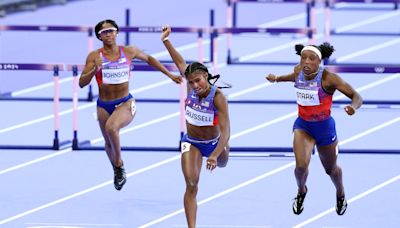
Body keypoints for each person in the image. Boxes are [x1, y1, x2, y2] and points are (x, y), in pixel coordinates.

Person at [79, 19, 182, 191]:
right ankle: (116, 168)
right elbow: (82, 83)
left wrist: (170, 75)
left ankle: (119, 165)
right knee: (108, 143)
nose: (108, 34)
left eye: (111, 30)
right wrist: (93, 70)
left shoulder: (128, 51)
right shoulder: (94, 56)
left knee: (112, 128)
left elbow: (149, 59)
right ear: (99, 36)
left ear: (117, 32)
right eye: (104, 32)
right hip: (103, 105)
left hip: (125, 103)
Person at [266, 42, 363, 215]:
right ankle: (301, 191)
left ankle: (340, 193)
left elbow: (356, 96)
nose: (306, 62)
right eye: (304, 58)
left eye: (312, 59)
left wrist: (353, 107)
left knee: (330, 169)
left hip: (325, 129)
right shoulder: (298, 71)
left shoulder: (328, 78)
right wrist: (277, 79)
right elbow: (292, 76)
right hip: (303, 126)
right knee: (300, 167)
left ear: (319, 62)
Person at [161, 25, 230, 228]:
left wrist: (215, 155)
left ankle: (224, 151)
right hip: (191, 142)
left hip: (215, 143)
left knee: (224, 162)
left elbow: (226, 131)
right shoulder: (191, 80)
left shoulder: (218, 98)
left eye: (198, 81)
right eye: (190, 83)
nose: (194, 86)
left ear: (206, 76)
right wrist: (166, 41)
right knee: (191, 184)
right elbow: (180, 62)